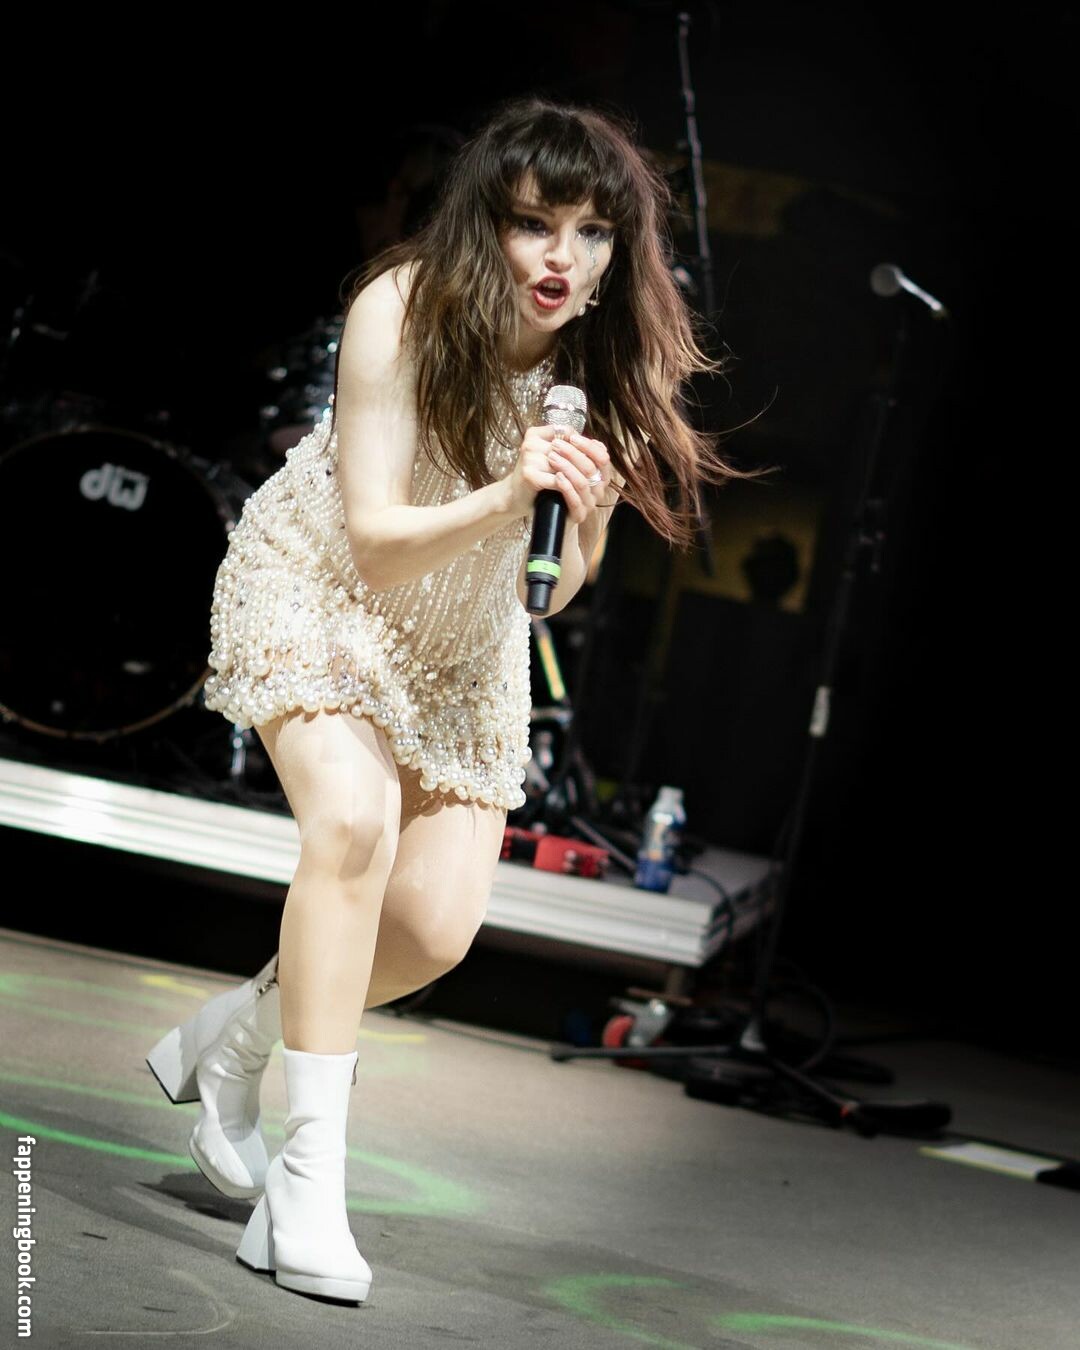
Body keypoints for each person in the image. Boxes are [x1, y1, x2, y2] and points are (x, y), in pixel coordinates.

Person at [145, 95, 762, 1307]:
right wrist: (506, 495)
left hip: (464, 639)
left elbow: (547, 593)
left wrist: (583, 521)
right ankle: (307, 1181)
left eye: (592, 233)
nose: (562, 258)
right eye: (536, 224)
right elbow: (375, 545)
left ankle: (238, 1039)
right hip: (322, 587)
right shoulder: (404, 304)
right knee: (352, 828)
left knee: (432, 933)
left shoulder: (607, 360)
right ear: (489, 220)